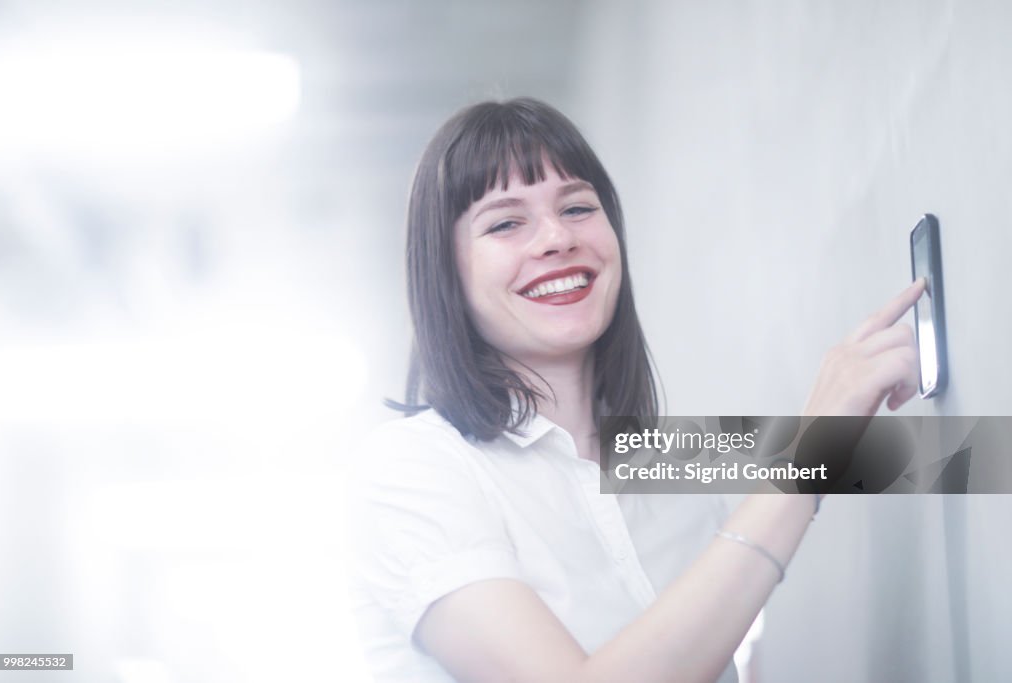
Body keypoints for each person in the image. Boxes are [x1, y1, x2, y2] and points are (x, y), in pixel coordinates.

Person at [347, 97, 925, 682]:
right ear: (445, 273)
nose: (555, 238)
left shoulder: (674, 463)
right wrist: (810, 456)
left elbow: (965, 459)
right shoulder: (413, 469)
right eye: (504, 222)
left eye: (577, 207)